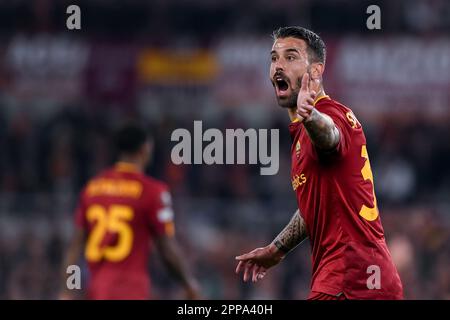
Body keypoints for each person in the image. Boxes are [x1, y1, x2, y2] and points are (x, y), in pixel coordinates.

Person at [235, 26, 403, 300]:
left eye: (290, 57)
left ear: (316, 71)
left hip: (350, 278)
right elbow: (313, 207)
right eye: (274, 58)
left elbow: (331, 137)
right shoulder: (301, 134)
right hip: (362, 277)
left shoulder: (329, 113)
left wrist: (310, 116)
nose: (278, 66)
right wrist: (277, 249)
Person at [60, 123, 200, 299]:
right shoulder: (153, 191)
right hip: (131, 291)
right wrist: (188, 284)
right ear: (145, 149)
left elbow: (75, 247)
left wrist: (68, 289)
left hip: (97, 292)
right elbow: (166, 249)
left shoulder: (92, 189)